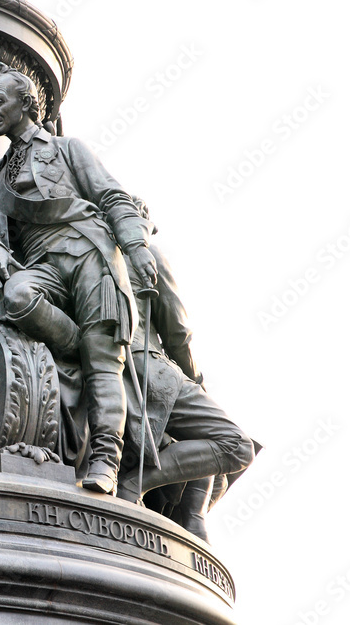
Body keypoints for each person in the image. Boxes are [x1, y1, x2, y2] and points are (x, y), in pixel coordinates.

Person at [0, 63, 158, 495]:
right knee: (17, 295)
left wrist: (136, 246)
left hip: (90, 253)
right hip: (43, 266)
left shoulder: (67, 148)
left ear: (26, 103)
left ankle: (106, 459)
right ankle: (80, 348)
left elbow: (111, 195)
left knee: (105, 361)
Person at [117, 199, 254, 538]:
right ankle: (140, 484)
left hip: (108, 367)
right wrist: (196, 380)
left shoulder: (90, 255)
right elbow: (178, 333)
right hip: (147, 367)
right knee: (237, 445)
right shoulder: (148, 255)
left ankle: (191, 518)